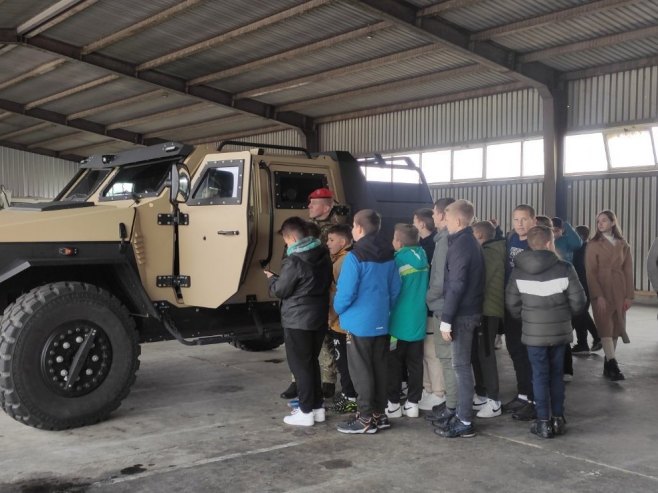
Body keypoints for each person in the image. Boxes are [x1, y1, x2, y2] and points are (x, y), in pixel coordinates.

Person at [506, 226, 586, 439]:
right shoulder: (565, 268)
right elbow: (579, 302)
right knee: (556, 375)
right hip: (559, 333)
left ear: (529, 244)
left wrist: (526, 319)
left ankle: (543, 422)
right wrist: (565, 316)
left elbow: (511, 304)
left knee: (539, 376)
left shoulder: (518, 270)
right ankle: (558, 419)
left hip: (533, 334)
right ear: (550, 243)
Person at [334, 209, 401, 434]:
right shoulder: (389, 254)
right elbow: (395, 289)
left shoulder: (355, 256)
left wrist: (338, 309)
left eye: (353, 225)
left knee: (361, 370)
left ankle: (364, 419)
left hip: (359, 323)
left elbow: (346, 292)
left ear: (359, 228)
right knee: (380, 367)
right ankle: (379, 415)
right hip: (382, 320)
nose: (352, 229)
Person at [266, 217, 333, 427]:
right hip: (318, 317)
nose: (286, 245)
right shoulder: (323, 255)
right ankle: (317, 407)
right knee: (311, 362)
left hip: (297, 320)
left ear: (292, 237)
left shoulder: (294, 260)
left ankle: (305, 411)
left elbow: (280, 290)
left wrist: (271, 279)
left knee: (300, 366)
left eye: (286, 240)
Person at [280, 188, 344, 400]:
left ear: (326, 207)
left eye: (313, 203)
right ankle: (297, 380)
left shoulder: (337, 229)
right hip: (303, 291)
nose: (309, 206)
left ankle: (328, 379)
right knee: (302, 344)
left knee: (324, 338)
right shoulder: (304, 228)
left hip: (323, 288)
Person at [434, 200, 484, 439]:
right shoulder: (466, 241)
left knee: (460, 367)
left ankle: (465, 420)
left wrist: (446, 319)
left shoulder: (461, 245)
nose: (444, 220)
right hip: (467, 311)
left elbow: (457, 284)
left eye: (447, 216)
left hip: (463, 314)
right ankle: (461, 414)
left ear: (458, 220)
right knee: (461, 366)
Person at [386, 224, 429, 419]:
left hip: (397, 321)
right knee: (415, 363)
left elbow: (391, 292)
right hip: (418, 319)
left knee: (393, 363)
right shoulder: (423, 255)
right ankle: (413, 403)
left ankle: (394, 404)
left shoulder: (397, 261)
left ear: (399, 242)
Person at [585, 210, 634, 381]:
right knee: (605, 326)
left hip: (619, 288)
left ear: (613, 222)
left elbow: (628, 270)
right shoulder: (593, 244)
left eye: (604, 221)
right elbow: (590, 272)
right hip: (601, 288)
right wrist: (598, 295)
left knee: (616, 326)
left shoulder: (623, 244)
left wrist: (629, 295)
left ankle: (608, 363)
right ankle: (613, 364)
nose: (600, 224)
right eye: (598, 221)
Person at [425, 198, 458, 424]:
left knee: (448, 360)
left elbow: (439, 279)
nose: (434, 218)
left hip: (443, 308)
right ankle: (453, 404)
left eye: (435, 214)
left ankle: (453, 407)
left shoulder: (445, 242)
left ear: (444, 215)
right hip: (447, 306)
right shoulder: (447, 240)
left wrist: (429, 299)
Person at [503, 204, 537, 421]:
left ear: (533, 220)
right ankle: (523, 394)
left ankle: (534, 399)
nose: (520, 224)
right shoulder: (511, 239)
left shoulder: (538, 243)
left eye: (524, 219)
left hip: (530, 307)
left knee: (530, 354)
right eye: (516, 220)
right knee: (515, 350)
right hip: (511, 303)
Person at [412, 208, 446, 411]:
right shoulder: (424, 246)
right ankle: (428, 388)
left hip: (432, 308)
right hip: (423, 308)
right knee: (425, 351)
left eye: (414, 221)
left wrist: (429, 300)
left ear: (421, 224)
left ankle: (439, 392)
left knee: (433, 353)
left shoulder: (432, 247)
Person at [471, 221, 504, 418]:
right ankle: (482, 393)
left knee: (486, 353)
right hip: (482, 309)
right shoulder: (488, 251)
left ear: (480, 236)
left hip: (487, 310)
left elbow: (481, 282)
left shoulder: (489, 254)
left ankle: (494, 400)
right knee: (478, 352)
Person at [326, 224, 357, 414]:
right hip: (347, 322)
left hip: (341, 323)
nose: (327, 243)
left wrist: (331, 317)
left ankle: (350, 396)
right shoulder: (345, 259)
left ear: (343, 242)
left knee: (344, 362)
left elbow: (340, 296)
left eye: (331, 240)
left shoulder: (341, 263)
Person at [571, 225, 601, 353]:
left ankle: (585, 342)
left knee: (580, 314)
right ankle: (590, 340)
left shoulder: (579, 250)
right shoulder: (587, 248)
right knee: (581, 314)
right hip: (587, 286)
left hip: (582, 286)